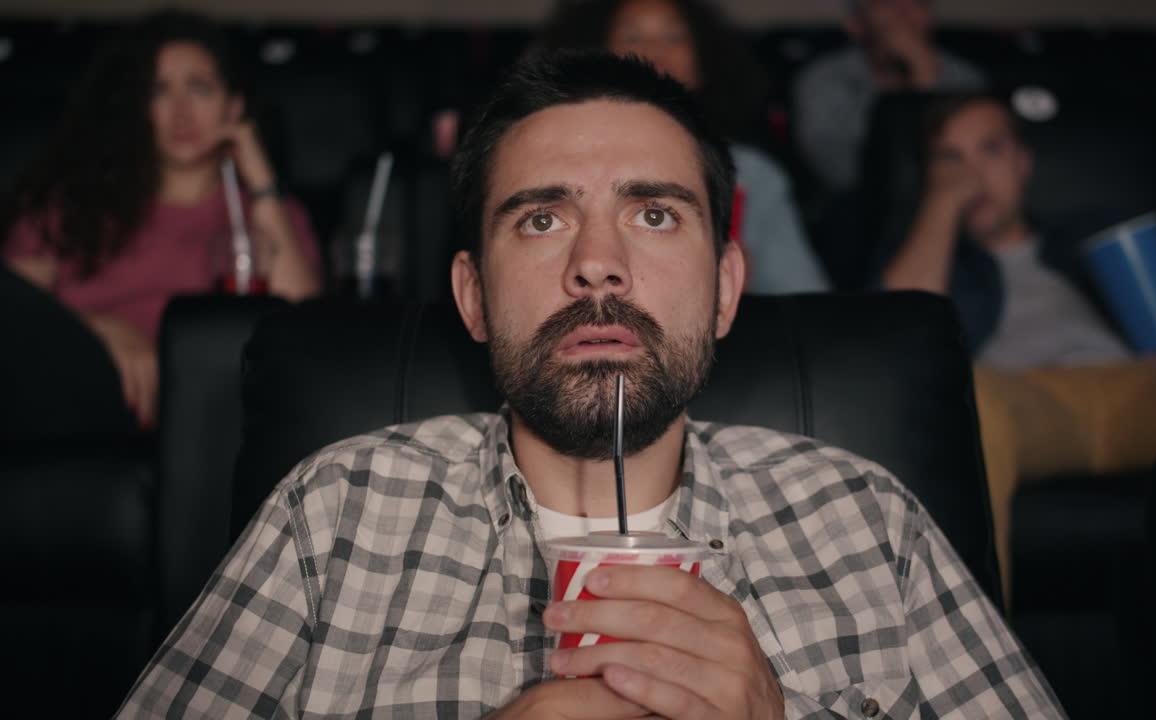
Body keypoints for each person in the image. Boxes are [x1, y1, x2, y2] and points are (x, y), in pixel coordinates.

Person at [116, 53, 1064, 718]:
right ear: (473, 297)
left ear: (725, 288)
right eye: (542, 220)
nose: (598, 264)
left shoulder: (864, 519)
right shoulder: (336, 511)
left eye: (654, 215)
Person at [880, 92, 1156, 596]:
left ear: (1023, 162)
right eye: (950, 158)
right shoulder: (927, 252)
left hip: (1149, 384)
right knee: (972, 403)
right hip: (1026, 400)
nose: (972, 174)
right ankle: (970, 644)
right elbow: (898, 326)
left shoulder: (1088, 234)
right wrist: (942, 202)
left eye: (990, 150)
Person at [1, 10, 321, 429]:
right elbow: (14, 320)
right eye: (159, 91)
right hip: (77, 409)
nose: (182, 111)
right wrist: (93, 329)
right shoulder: (69, 205)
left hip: (221, 415)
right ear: (137, 109)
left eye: (200, 88)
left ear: (234, 105)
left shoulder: (270, 213)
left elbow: (302, 337)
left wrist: (260, 179)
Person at [536, 0, 832, 295]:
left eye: (674, 37)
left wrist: (743, 286)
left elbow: (806, 297)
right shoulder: (551, 162)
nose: (655, 50)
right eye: (633, 37)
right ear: (593, 57)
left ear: (704, 61)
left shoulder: (751, 174)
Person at [792, 0, 984, 193]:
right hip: (860, 200)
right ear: (855, 25)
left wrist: (926, 78)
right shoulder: (825, 78)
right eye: (885, 3)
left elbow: (975, 161)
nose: (902, 11)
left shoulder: (963, 78)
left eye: (916, 2)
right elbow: (838, 169)